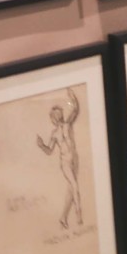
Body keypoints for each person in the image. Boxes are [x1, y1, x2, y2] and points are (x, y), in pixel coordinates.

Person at [37, 93, 83, 232]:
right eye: (56, 115)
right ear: (54, 118)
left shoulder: (68, 124)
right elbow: (49, 151)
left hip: (74, 159)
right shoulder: (55, 133)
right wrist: (41, 145)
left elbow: (75, 110)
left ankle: (63, 218)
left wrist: (73, 98)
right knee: (74, 186)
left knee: (71, 190)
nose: (59, 116)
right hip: (65, 163)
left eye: (59, 113)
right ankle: (79, 216)